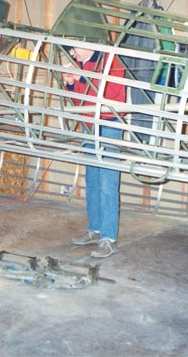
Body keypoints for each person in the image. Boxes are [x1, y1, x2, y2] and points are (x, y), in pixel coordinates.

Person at [62, 46, 126, 258]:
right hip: (89, 126)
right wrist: (71, 84)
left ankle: (109, 238)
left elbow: (110, 95)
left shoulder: (111, 61)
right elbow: (80, 102)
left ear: (87, 44)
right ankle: (95, 228)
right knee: (92, 180)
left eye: (73, 49)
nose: (73, 54)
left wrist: (81, 77)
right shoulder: (82, 64)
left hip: (109, 125)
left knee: (108, 182)